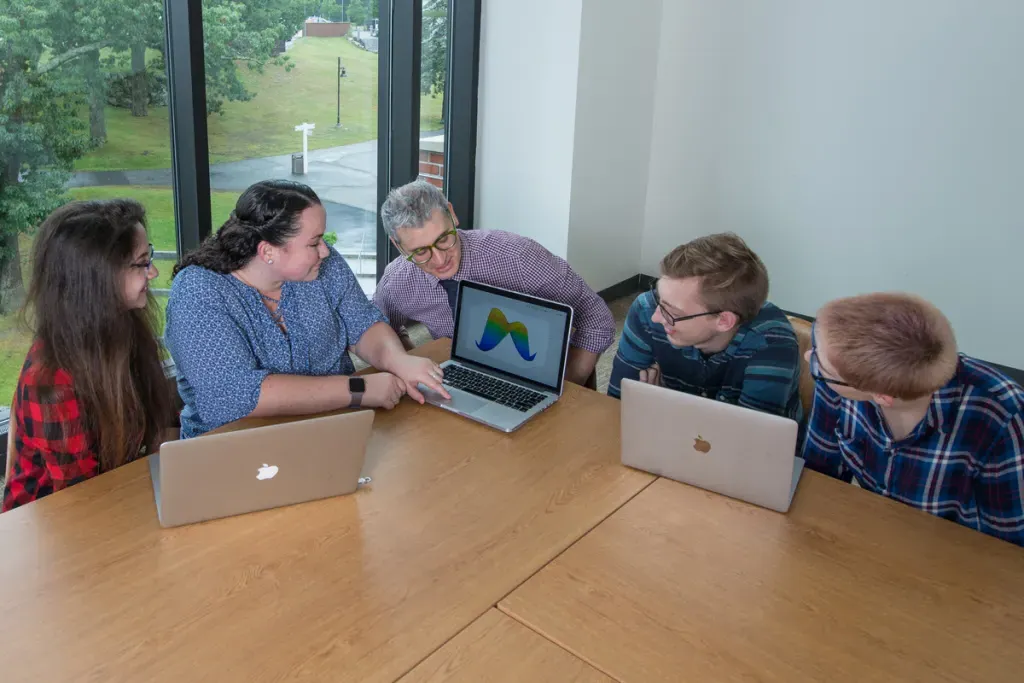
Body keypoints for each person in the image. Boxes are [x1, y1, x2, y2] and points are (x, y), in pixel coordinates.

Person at [164, 180, 448, 439]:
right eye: (314, 243)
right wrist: (359, 389)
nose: (325, 251)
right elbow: (234, 399)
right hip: (233, 447)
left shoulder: (323, 265)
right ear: (268, 252)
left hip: (335, 430)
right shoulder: (198, 291)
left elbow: (364, 324)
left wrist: (399, 361)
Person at [802, 293, 1024, 546]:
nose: (809, 357)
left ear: (882, 397)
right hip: (867, 536)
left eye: (822, 366)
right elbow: (818, 479)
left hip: (949, 556)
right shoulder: (839, 375)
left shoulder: (1004, 416)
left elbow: (1007, 549)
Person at [2, 200, 174, 512]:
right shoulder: (52, 380)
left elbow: (150, 437)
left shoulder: (123, 327)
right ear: (97, 279)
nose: (154, 272)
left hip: (117, 500)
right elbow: (83, 498)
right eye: (142, 263)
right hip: (50, 528)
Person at [372, 180, 616, 387]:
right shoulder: (397, 281)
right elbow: (377, 330)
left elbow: (596, 318)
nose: (439, 259)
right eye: (421, 251)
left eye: (444, 239)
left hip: (534, 377)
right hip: (459, 380)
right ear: (398, 245)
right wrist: (410, 361)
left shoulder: (517, 257)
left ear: (452, 214)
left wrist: (569, 385)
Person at [607, 233, 802, 421]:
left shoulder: (771, 343)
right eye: (659, 297)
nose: (656, 317)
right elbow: (617, 405)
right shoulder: (645, 310)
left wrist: (664, 408)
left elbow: (747, 442)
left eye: (673, 313)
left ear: (724, 321)